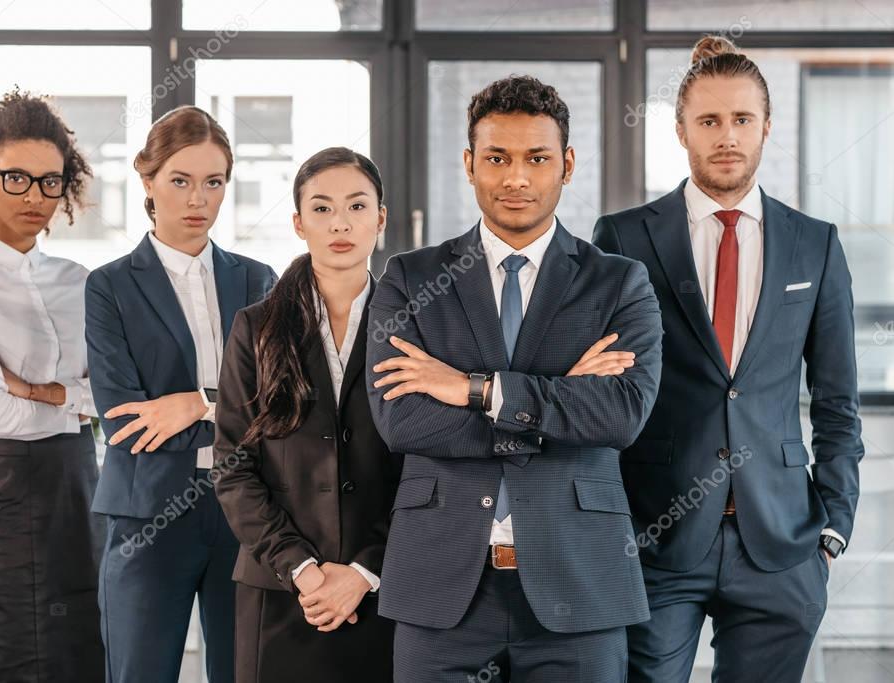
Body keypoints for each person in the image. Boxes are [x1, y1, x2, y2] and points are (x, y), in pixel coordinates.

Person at [367, 75, 663, 682]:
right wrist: (559, 398)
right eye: (497, 158)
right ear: (470, 164)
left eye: (537, 158)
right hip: (441, 583)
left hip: (580, 581)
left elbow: (621, 414)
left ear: (568, 164)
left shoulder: (618, 282)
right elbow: (401, 420)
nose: (517, 178)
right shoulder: (409, 277)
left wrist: (473, 390)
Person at [592, 36, 864, 683]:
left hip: (780, 542)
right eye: (708, 120)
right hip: (655, 537)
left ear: (766, 126)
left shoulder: (813, 245)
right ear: (681, 128)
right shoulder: (624, 238)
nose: (726, 136)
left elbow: (835, 403)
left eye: (741, 119)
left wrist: (831, 531)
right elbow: (598, 397)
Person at [85, 106, 277, 683]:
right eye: (181, 181)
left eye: (213, 182)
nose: (199, 199)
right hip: (147, 513)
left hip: (246, 510)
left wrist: (196, 404)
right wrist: (234, 410)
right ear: (148, 181)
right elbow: (124, 422)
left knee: (243, 672)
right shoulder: (109, 286)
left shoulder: (259, 280)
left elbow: (284, 404)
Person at [0, 88, 104, 681]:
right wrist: (73, 403)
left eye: (50, 182)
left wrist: (37, 391)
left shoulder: (81, 282)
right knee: (18, 660)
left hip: (82, 484)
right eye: (16, 178)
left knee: (88, 650)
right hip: (6, 489)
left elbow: (107, 399)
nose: (35, 196)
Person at [214, 146, 400, 683]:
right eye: (321, 209)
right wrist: (303, 569)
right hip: (281, 591)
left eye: (358, 206)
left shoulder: (419, 325)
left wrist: (364, 569)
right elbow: (232, 465)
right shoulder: (256, 327)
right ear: (298, 223)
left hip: (384, 589)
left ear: (381, 219)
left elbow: (428, 468)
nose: (340, 222)